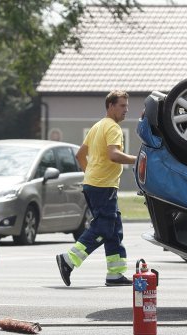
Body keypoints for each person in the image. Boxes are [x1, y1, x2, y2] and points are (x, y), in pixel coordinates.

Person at [55, 90, 137, 287]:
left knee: (114, 230)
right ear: (110, 106)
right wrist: (140, 159)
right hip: (103, 187)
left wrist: (90, 174)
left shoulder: (98, 126)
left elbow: (80, 155)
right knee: (103, 228)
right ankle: (68, 260)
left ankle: (115, 274)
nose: (126, 109)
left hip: (95, 184)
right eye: (122, 105)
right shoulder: (113, 128)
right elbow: (114, 155)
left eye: (127, 105)